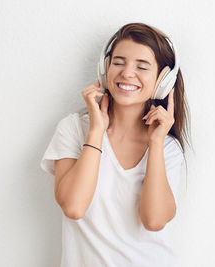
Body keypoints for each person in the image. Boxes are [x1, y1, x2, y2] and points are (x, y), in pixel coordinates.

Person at [40, 22, 191, 267]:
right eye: (119, 62)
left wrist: (156, 143)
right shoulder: (73, 129)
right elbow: (74, 207)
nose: (127, 73)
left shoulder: (167, 147)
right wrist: (96, 131)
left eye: (142, 66)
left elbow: (153, 220)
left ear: (162, 81)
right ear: (104, 68)